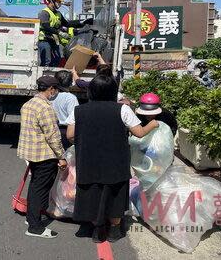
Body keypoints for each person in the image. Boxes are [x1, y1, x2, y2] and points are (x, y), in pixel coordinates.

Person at [66, 75, 159, 243]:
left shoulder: (78, 110)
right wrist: (153, 124)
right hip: (115, 162)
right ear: (113, 91)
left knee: (92, 193)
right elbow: (139, 133)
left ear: (91, 91)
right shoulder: (122, 109)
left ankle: (98, 230)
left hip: (88, 161)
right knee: (115, 194)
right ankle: (114, 230)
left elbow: (70, 135)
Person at [17, 76, 67, 239]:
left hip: (32, 153)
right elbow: (53, 135)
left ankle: (32, 217)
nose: (56, 93)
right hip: (45, 155)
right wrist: (61, 156)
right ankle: (35, 227)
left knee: (35, 186)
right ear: (51, 89)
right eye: (56, 90)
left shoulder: (28, 104)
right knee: (41, 188)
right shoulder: (46, 108)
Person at [38, 0, 92, 67]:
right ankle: (43, 77)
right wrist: (60, 33)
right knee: (47, 61)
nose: (60, 4)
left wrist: (82, 23)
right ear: (51, 1)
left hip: (53, 40)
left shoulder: (58, 14)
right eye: (58, 1)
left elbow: (67, 23)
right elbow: (45, 26)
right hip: (44, 40)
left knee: (57, 60)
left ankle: (51, 77)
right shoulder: (44, 13)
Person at [51, 70, 79, 149]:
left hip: (50, 130)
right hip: (65, 132)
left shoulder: (49, 95)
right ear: (70, 83)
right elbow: (74, 118)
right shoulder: (71, 98)